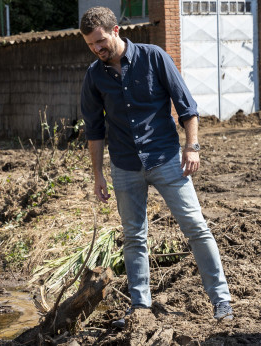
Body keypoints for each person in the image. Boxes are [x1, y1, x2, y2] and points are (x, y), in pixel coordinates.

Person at [78, 6, 233, 327]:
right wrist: (97, 174)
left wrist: (192, 147)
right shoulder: (94, 75)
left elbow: (187, 107)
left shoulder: (154, 57)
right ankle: (140, 308)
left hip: (165, 159)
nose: (97, 48)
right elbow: (94, 130)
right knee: (134, 237)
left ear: (116, 31)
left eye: (101, 41)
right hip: (124, 166)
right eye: (91, 44)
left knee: (196, 228)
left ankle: (221, 300)